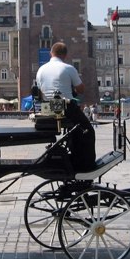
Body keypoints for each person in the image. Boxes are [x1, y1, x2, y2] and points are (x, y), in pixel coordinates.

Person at [35, 41, 95, 171]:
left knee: (75, 131)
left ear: (51, 53)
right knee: (88, 131)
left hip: (48, 108)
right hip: (65, 108)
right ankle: (85, 165)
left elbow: (40, 91)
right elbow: (81, 89)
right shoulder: (68, 68)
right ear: (65, 55)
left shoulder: (41, 69)